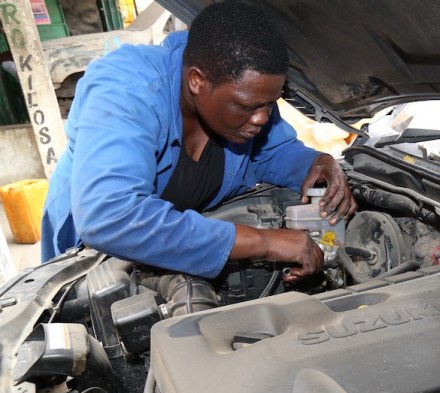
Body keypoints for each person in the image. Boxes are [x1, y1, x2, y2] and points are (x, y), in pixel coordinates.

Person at [40, 1, 355, 282]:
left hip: (183, 246)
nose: (261, 118)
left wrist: (318, 163)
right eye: (248, 106)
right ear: (196, 81)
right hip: (96, 268)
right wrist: (266, 242)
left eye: (271, 103)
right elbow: (110, 215)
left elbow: (272, 153)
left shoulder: (243, 100)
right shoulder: (126, 90)